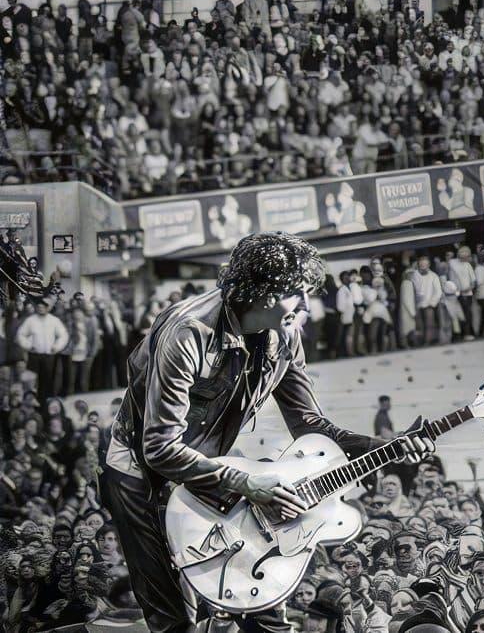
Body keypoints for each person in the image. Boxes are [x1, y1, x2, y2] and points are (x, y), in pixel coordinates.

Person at [97, 232, 435, 633]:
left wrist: (385, 446)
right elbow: (160, 448)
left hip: (212, 468)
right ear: (265, 294)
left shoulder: (286, 336)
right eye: (299, 294)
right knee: (176, 620)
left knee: (261, 603)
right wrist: (245, 482)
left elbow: (310, 426)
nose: (307, 306)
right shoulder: (188, 334)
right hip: (140, 472)